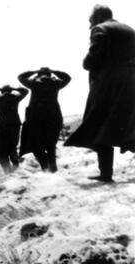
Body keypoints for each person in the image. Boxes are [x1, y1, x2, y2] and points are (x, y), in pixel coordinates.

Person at [65, 5, 135, 182]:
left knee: (98, 124)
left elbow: (94, 55)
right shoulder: (129, 29)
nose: (90, 26)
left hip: (108, 84)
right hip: (131, 82)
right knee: (129, 126)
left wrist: (87, 63)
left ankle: (106, 173)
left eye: (90, 21)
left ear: (98, 17)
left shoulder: (101, 28)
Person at [18, 67, 71, 172]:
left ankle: (45, 166)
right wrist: (54, 71)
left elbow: (21, 77)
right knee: (51, 144)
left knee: (36, 145)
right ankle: (53, 168)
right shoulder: (56, 83)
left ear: (38, 74)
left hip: (36, 117)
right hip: (53, 116)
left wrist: (33, 71)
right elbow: (67, 77)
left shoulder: (34, 83)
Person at [0, 85, 28, 173]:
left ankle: (7, 169)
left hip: (3, 126)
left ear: (2, 92)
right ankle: (15, 166)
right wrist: (14, 89)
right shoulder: (15, 98)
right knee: (12, 146)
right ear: (10, 91)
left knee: (1, 150)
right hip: (15, 125)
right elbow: (25, 91)